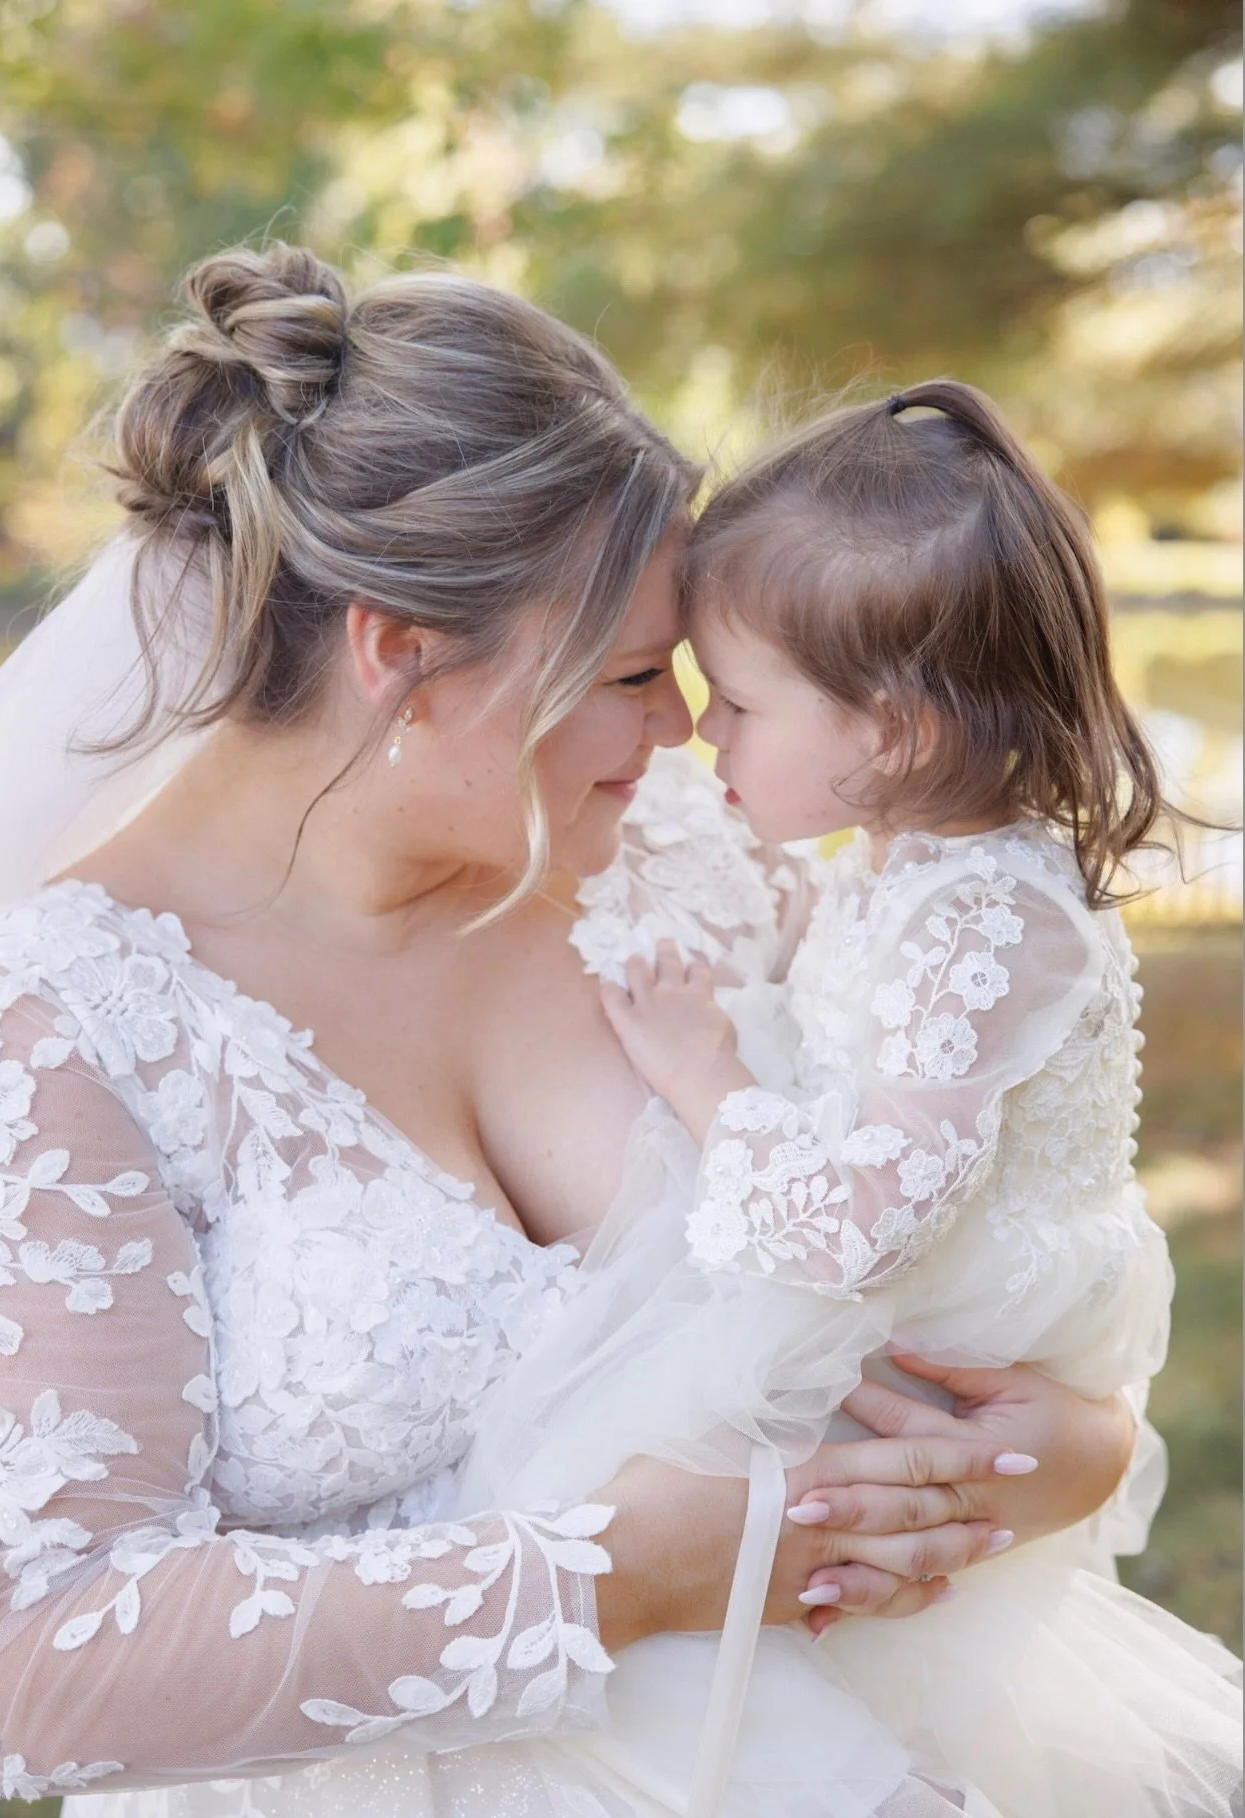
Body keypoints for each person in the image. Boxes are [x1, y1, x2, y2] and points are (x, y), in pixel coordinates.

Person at [0, 248, 1141, 1818]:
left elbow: (950, 1214)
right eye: (628, 673)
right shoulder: (56, 1022)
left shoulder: (685, 852)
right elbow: (37, 1665)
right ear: (403, 655)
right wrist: (622, 1575)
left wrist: (1067, 1445)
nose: (683, 727)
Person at [474, 380, 1239, 1814]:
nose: (703, 730)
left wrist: (703, 1067)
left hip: (941, 1325)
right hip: (919, 1303)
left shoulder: (992, 918)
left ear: (888, 733)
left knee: (625, 1498)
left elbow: (856, 1231)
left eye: (742, 698)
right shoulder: (910, 858)